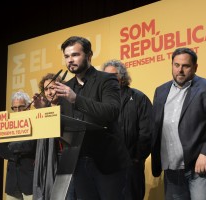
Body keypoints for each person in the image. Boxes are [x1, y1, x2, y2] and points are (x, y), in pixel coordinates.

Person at [53, 36, 131, 199]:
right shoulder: (66, 87)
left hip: (107, 163)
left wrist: (76, 99)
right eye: (67, 57)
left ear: (89, 55)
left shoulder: (107, 79)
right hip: (79, 162)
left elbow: (111, 111)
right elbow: (64, 125)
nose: (70, 60)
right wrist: (44, 110)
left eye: (75, 55)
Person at [151, 47, 206, 200]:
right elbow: (156, 126)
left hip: (198, 168)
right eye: (176, 65)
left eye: (185, 66)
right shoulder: (160, 91)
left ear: (195, 67)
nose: (180, 70)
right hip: (171, 169)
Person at [102, 59, 152, 200]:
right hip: (106, 166)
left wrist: (137, 157)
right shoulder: (100, 101)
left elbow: (147, 131)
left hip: (131, 165)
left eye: (112, 75)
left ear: (122, 76)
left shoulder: (138, 98)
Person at [32, 73, 76, 200]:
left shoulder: (69, 107)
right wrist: (41, 110)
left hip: (65, 159)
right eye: (46, 89)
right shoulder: (43, 110)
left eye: (52, 88)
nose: (49, 92)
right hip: (46, 160)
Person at [0, 91, 36, 200]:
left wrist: (12, 147)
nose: (17, 111)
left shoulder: (36, 122)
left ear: (28, 107)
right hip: (12, 182)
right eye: (14, 108)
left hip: (29, 180)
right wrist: (19, 148)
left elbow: (31, 146)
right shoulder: (7, 125)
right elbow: (2, 151)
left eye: (21, 107)